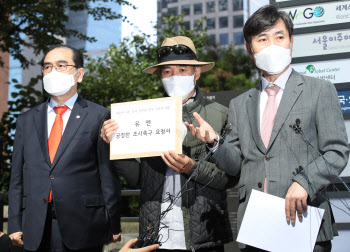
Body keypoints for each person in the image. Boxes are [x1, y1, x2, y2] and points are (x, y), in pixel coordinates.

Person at [185, 5, 349, 252]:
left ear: (291, 42)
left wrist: (305, 182)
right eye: (262, 39)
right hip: (257, 227)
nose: (272, 45)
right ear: (250, 50)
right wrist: (215, 142)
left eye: (279, 37)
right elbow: (236, 164)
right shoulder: (240, 104)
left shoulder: (319, 90)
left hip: (304, 223)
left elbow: (336, 152)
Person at [101, 36, 234, 252]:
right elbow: (138, 178)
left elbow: (230, 177)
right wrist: (113, 144)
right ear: (160, 76)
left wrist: (193, 168)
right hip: (156, 237)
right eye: (167, 72)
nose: (175, 77)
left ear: (196, 72)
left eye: (183, 69)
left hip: (204, 237)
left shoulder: (219, 114)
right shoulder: (145, 115)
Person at [8, 45, 122, 252]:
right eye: (47, 67)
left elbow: (107, 173)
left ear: (79, 74)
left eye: (61, 66)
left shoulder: (99, 116)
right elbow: (17, 176)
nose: (53, 72)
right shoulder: (26, 119)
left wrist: (113, 223)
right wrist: (14, 224)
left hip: (84, 223)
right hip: (35, 226)